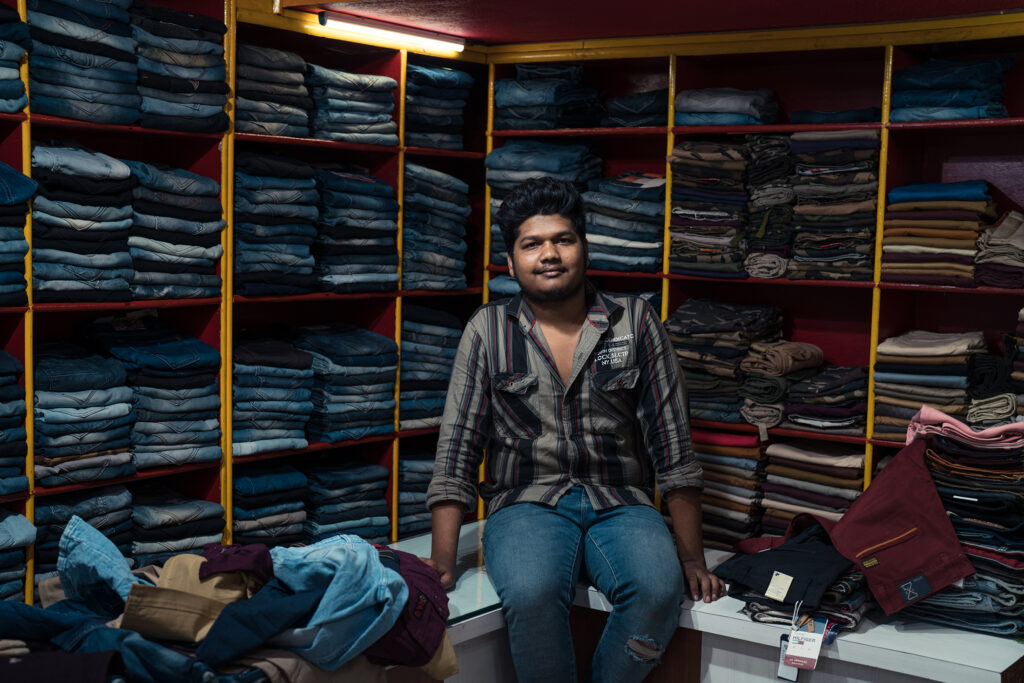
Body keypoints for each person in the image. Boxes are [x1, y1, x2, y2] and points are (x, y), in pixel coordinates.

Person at [425, 176, 724, 682]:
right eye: (532, 244)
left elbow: (672, 445)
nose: (549, 254)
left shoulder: (636, 322)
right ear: (512, 259)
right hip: (525, 503)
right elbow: (457, 448)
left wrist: (691, 556)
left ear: (584, 247)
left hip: (621, 501)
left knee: (657, 591)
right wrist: (442, 562)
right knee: (533, 592)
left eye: (563, 239)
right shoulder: (487, 330)